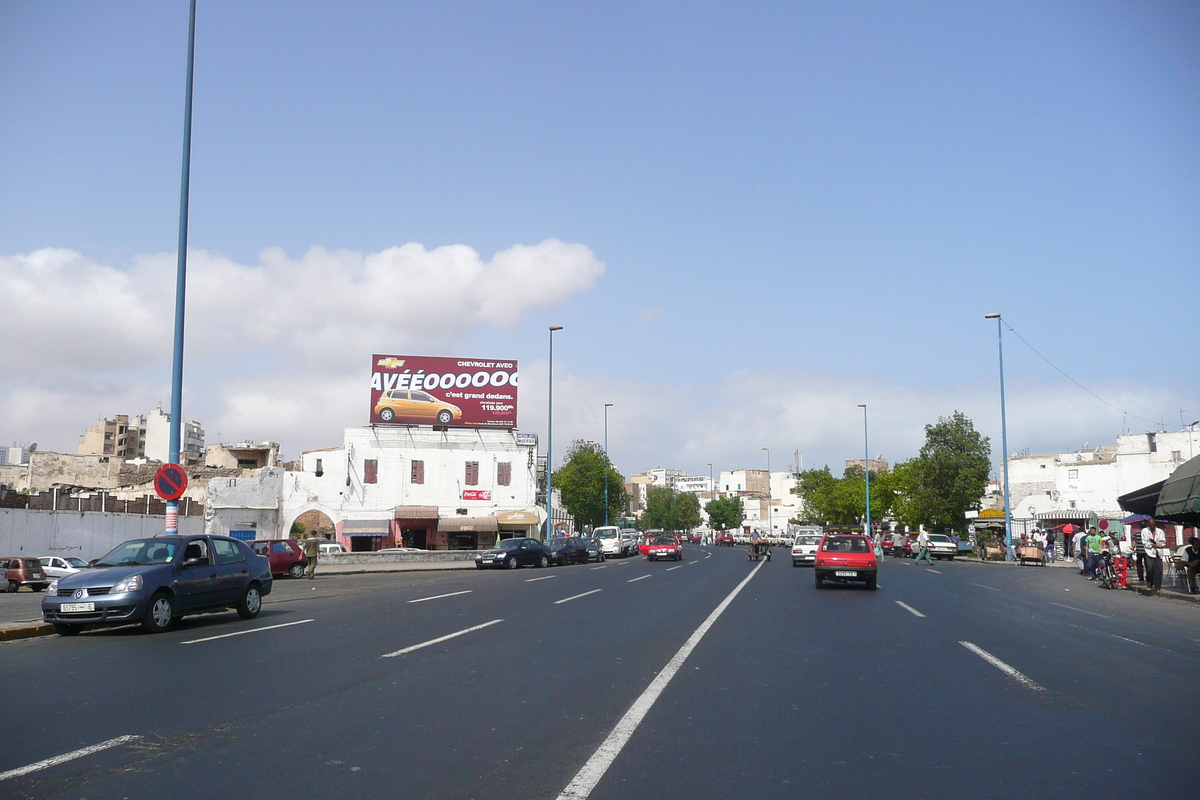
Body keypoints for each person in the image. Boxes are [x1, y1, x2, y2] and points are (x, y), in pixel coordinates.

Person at [1139, 518, 1167, 596]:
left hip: (1158, 552)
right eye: (1151, 525)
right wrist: (1152, 544)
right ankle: (1149, 584)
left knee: (1158, 570)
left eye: (1153, 525)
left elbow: (1163, 542)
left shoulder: (1160, 531)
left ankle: (1158, 587)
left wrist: (1159, 545)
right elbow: (1144, 542)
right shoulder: (1144, 531)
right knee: (1149, 569)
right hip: (1149, 552)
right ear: (1148, 525)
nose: (1152, 527)